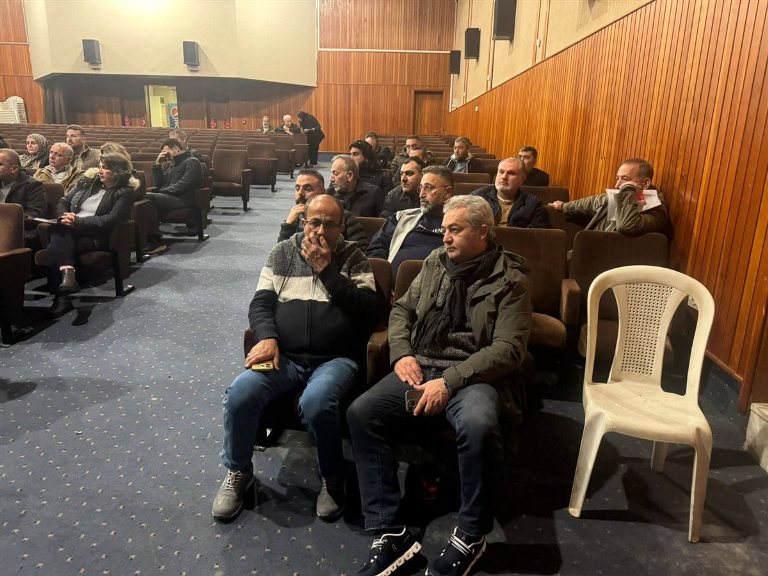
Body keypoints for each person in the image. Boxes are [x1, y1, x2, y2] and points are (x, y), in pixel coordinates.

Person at [348, 195, 532, 576]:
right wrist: (401, 353)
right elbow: (402, 309)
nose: (444, 237)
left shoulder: (510, 279)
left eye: (455, 230)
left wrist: (448, 381)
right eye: (445, 229)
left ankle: (472, 534)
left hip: (473, 376)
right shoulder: (436, 262)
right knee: (362, 413)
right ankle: (389, 530)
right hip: (421, 365)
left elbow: (508, 350)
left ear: (482, 232)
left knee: (479, 425)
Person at [212, 194, 382, 523]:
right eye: (314, 222)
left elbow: (368, 311)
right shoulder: (282, 253)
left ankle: (332, 477)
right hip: (285, 356)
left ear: (341, 227)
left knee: (317, 402)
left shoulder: (354, 257)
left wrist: (327, 270)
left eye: (329, 224)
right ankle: (239, 471)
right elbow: (260, 304)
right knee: (239, 394)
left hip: (335, 358)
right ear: (304, 223)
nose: (319, 231)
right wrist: (267, 337)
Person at [44, 153, 139, 318]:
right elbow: (64, 201)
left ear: (118, 172)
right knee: (60, 234)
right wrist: (65, 216)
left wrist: (79, 221)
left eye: (105, 168)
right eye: (100, 166)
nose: (99, 171)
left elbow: (112, 219)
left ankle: (63, 296)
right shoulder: (87, 181)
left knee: (54, 247)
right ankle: (68, 276)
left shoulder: (125, 191)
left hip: (95, 236)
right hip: (71, 229)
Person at [367, 165, 453, 277]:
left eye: (428, 187)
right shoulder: (401, 217)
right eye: (420, 188)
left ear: (447, 192)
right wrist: (381, 278)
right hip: (392, 284)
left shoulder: (460, 225)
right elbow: (376, 248)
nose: (421, 194)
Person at [548, 158, 670, 235]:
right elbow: (592, 202)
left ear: (645, 183)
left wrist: (628, 190)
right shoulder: (619, 195)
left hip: (613, 260)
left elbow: (627, 225)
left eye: (625, 179)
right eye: (617, 178)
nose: (617, 185)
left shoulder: (656, 210)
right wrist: (564, 206)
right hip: (589, 249)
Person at [277, 169, 368, 247]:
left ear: (323, 193)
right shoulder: (295, 218)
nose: (300, 193)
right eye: (297, 188)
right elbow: (280, 256)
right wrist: (287, 227)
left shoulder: (343, 216)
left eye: (307, 189)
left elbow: (361, 252)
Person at [143, 138, 205, 253]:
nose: (165, 155)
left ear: (176, 148)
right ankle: (145, 239)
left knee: (149, 197)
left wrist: (162, 192)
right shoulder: (173, 164)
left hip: (184, 199)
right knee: (144, 200)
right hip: (171, 198)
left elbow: (185, 184)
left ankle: (155, 241)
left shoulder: (192, 161)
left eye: (167, 152)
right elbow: (160, 184)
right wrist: (157, 164)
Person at [472, 157, 550, 228]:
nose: (504, 177)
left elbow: (537, 234)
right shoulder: (477, 197)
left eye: (511, 173)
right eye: (501, 172)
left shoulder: (533, 204)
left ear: (522, 179)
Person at [0, 149, 46, 244]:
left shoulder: (33, 186)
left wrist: (7, 219)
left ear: (14, 169)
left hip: (17, 232)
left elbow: (35, 215)